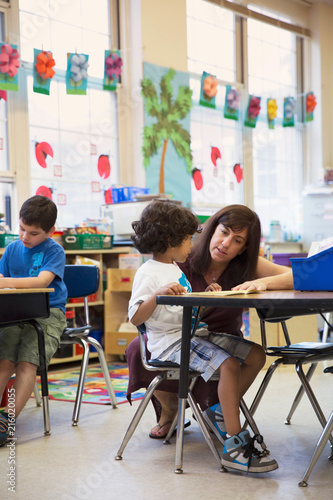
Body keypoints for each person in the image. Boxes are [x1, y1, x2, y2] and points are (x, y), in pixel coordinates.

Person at [128, 200, 281, 473]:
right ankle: (235, 447)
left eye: (237, 240)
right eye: (188, 238)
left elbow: (185, 312)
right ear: (171, 240)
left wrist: (203, 297)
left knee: (249, 355)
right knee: (229, 364)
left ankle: (219, 416)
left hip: (191, 334)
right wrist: (157, 295)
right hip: (170, 343)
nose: (192, 243)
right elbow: (136, 317)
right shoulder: (148, 272)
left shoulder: (175, 269)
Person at [0, 195, 67, 447]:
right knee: (4, 360)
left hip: (48, 314)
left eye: (34, 233)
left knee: (27, 364)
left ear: (50, 231)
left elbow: (41, 282)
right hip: (16, 313)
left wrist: (4, 281)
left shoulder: (54, 250)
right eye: (21, 229)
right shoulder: (13, 248)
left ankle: (6, 421)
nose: (25, 237)